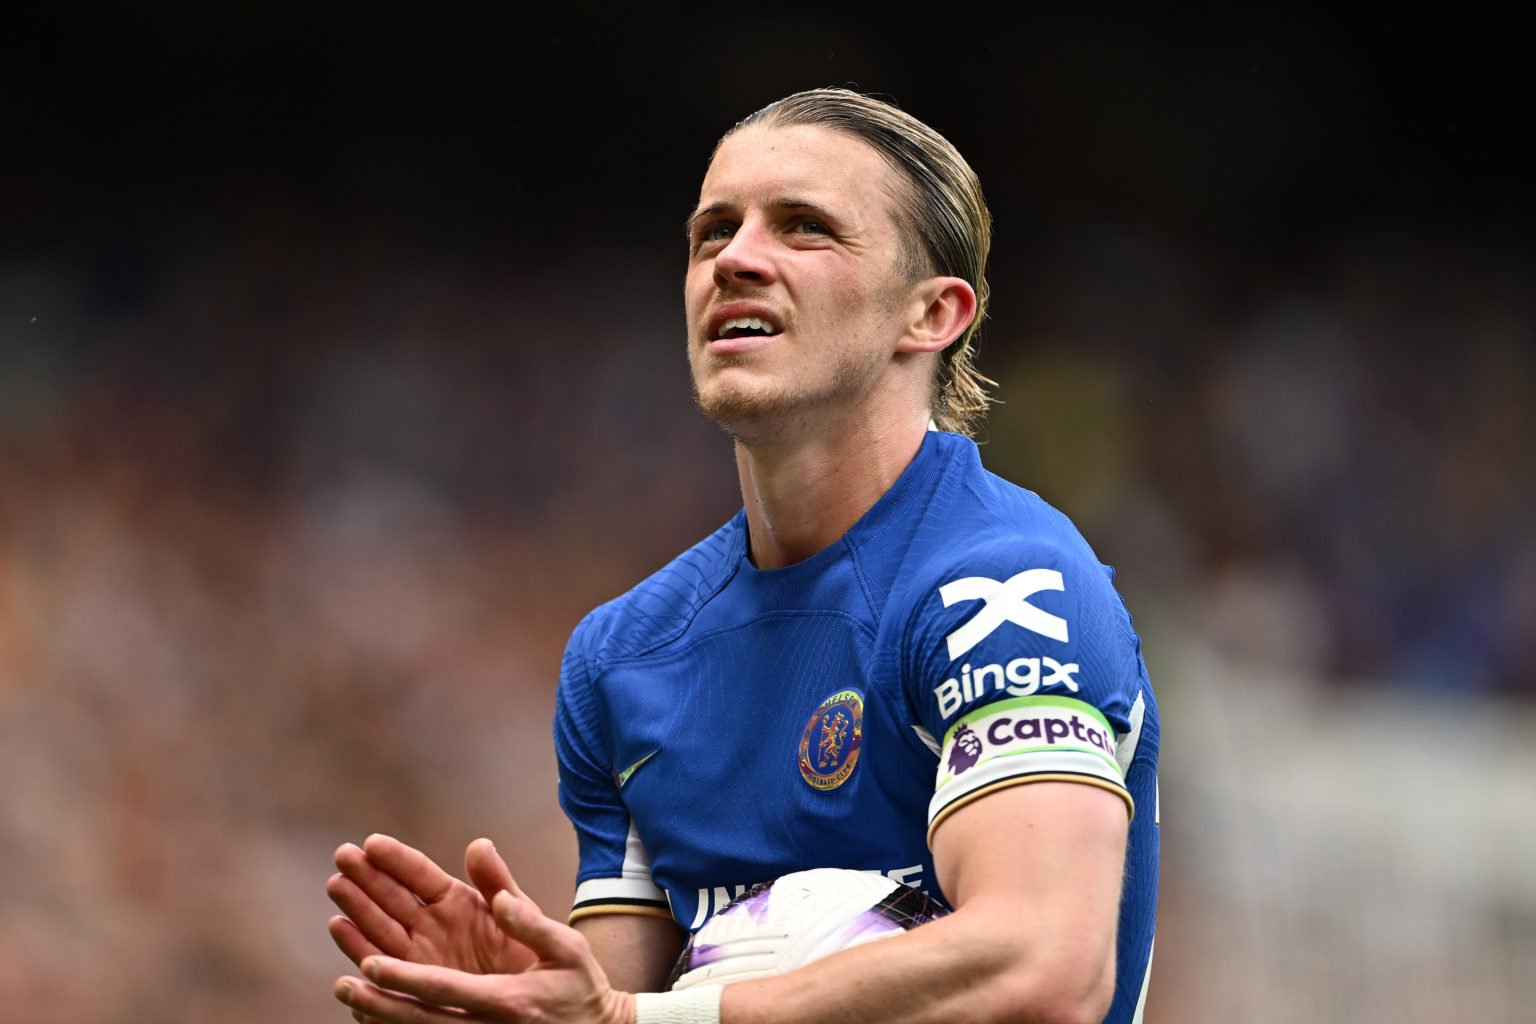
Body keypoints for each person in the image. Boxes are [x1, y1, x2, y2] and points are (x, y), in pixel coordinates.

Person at [327, 86, 1159, 1024]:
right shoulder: (624, 658)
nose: (736, 259)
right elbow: (607, 1006)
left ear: (931, 315)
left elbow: (1044, 969)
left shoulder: (1004, 588)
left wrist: (632, 1021)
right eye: (712, 232)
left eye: (803, 228)